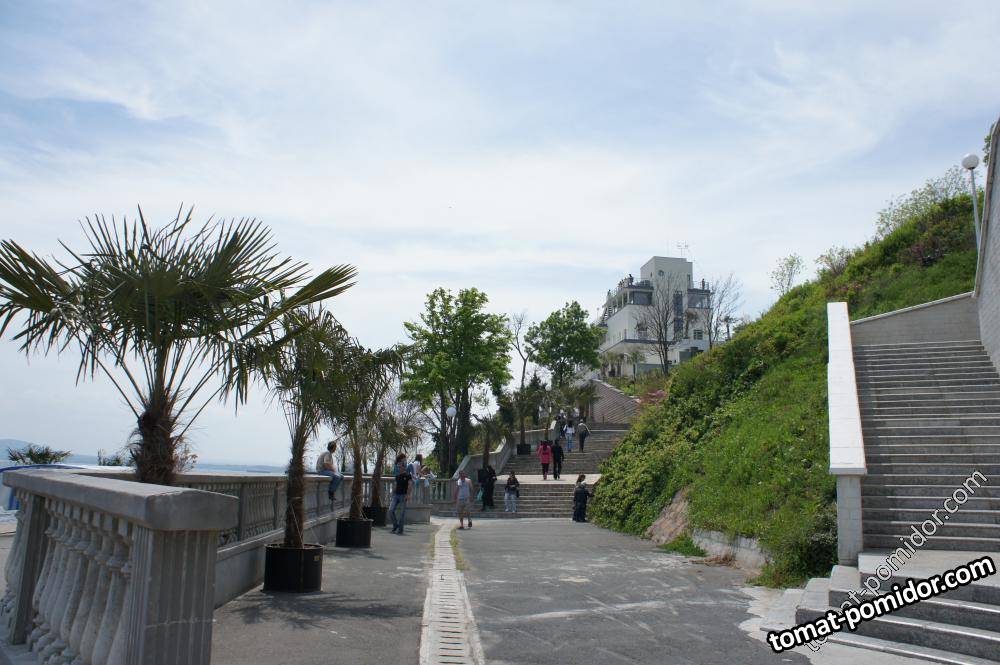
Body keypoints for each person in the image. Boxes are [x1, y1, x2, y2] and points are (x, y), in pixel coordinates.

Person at [389, 456, 413, 535]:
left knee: (402, 513)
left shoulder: (408, 476)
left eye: (400, 467)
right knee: (391, 510)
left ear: (403, 467)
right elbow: (395, 486)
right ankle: (395, 525)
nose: (398, 468)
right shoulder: (397, 476)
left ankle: (400, 530)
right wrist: (392, 494)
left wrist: (408, 495)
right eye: (398, 467)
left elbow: (410, 485)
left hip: (403, 495)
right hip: (396, 495)